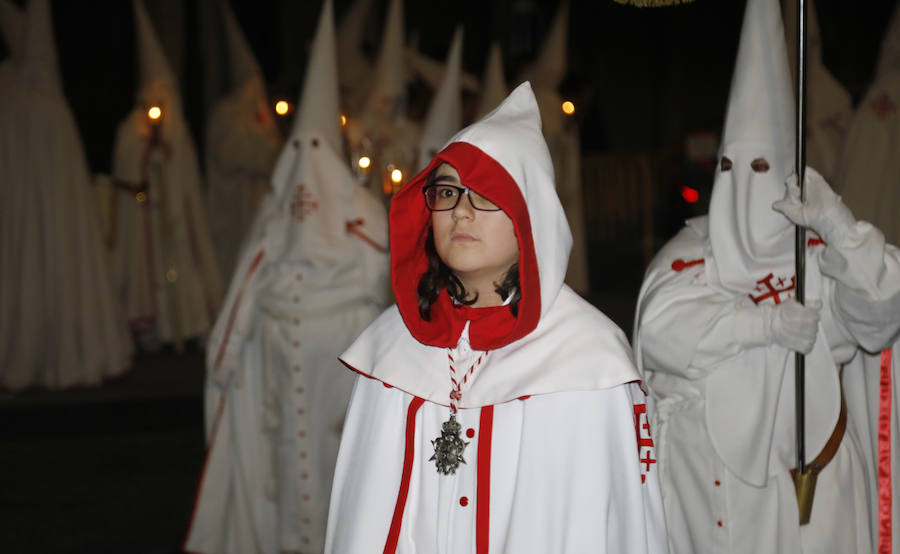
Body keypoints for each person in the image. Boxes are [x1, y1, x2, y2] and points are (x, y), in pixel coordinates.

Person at [324, 82, 668, 554]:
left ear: (531, 215)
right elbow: (362, 515)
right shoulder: (391, 347)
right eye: (447, 192)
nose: (461, 213)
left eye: (485, 194)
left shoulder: (586, 357)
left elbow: (618, 521)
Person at [632, 0, 900, 552]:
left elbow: (879, 315)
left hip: (820, 490)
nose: (747, 184)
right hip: (719, 497)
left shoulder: (819, 251)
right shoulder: (690, 251)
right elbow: (661, 330)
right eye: (733, 168)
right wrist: (766, 326)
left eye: (762, 169)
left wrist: (838, 225)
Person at [185, 2, 390, 552]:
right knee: (287, 462)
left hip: (343, 356)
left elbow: (390, 285)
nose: (305, 172)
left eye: (315, 151)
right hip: (279, 361)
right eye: (297, 152)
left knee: (338, 462)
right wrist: (225, 358)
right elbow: (248, 284)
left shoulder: (366, 219)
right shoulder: (276, 215)